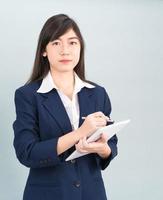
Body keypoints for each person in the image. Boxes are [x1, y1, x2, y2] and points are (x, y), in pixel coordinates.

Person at [13, 14, 118, 200]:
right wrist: (80, 133)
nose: (65, 51)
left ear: (80, 48)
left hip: (92, 194)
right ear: (43, 51)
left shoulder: (97, 93)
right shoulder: (27, 95)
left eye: (72, 43)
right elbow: (27, 152)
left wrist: (103, 149)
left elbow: (111, 144)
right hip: (47, 194)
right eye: (56, 43)